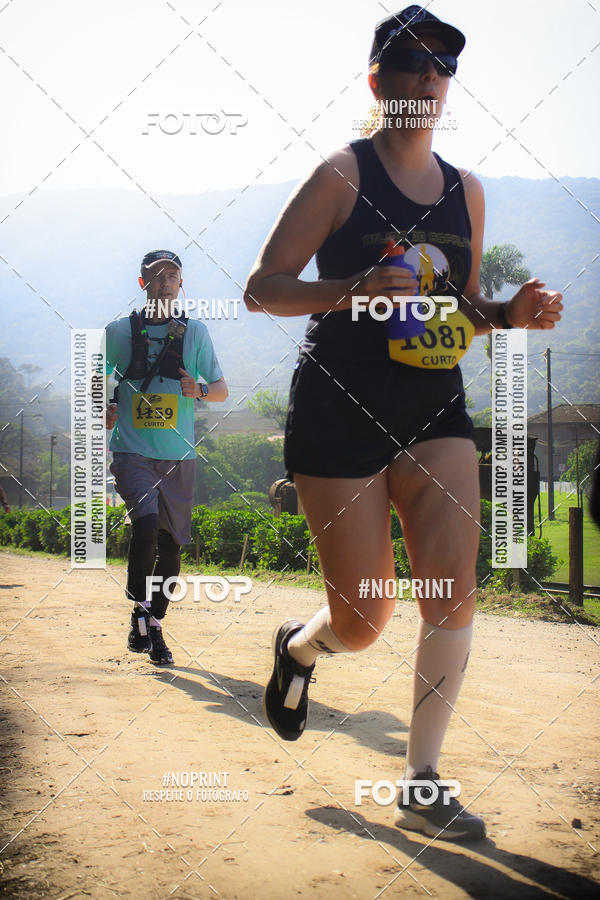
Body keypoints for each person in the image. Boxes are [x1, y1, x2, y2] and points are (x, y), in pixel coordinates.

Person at [245, 6, 563, 841]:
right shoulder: (341, 175)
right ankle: (304, 648)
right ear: (377, 80)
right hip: (338, 406)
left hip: (433, 404)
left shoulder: (467, 191)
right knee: (365, 616)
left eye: (442, 68)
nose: (428, 78)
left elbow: (459, 309)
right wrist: (350, 291)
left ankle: (422, 780)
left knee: (452, 589)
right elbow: (264, 287)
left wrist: (511, 312)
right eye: (411, 63)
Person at [106, 250, 228, 664]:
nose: (164, 283)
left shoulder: (196, 333)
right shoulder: (118, 332)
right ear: (143, 283)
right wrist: (102, 404)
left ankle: (150, 621)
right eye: (157, 276)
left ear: (181, 285)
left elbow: (221, 388)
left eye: (172, 276)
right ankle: (139, 605)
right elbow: (92, 378)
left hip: (179, 458)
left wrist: (201, 391)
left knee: (171, 550)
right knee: (144, 528)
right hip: (131, 452)